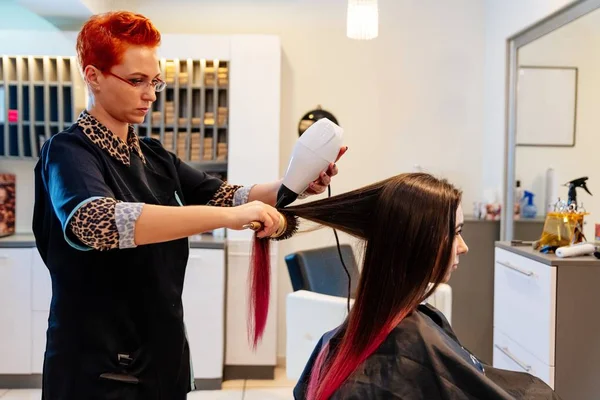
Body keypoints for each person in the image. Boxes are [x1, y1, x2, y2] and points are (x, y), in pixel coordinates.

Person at [32, 11, 346, 400]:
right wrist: (230, 218)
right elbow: (97, 222)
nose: (149, 94)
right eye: (136, 81)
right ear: (93, 75)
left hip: (162, 359)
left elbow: (232, 195)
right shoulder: (67, 152)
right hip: (96, 369)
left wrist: (297, 182)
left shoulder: (153, 155)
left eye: (155, 82)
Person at [272, 173, 559, 399]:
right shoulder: (402, 347)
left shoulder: (415, 323)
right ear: (418, 242)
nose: (464, 247)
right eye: (455, 233)